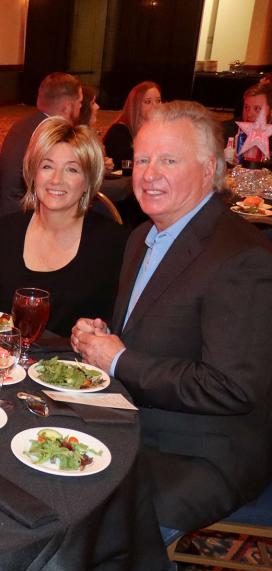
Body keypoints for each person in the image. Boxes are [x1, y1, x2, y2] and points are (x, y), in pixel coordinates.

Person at [72, 101, 272, 534]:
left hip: (202, 450)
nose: (148, 173)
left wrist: (121, 361)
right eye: (143, 159)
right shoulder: (143, 236)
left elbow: (231, 388)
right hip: (135, 422)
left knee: (95, 525)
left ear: (209, 169)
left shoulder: (242, 258)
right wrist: (107, 339)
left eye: (168, 160)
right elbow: (152, 332)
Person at [0, 117, 128, 337]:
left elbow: (121, 325)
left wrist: (104, 330)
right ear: (33, 173)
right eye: (47, 166)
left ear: (88, 180)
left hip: (70, 367)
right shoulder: (3, 233)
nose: (57, 179)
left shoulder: (113, 244)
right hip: (3, 365)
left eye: (72, 170)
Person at [0, 72, 83, 223]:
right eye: (80, 103)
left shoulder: (22, 125)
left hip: (7, 213)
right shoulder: (52, 136)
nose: (81, 108)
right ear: (67, 107)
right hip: (26, 221)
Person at [103, 81, 161, 170]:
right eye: (147, 101)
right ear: (135, 105)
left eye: (158, 101)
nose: (155, 106)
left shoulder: (160, 131)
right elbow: (126, 165)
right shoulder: (118, 131)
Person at [221, 83, 271, 165]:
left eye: (257, 109)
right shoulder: (225, 130)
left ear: (270, 110)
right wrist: (222, 158)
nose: (249, 114)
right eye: (246, 107)